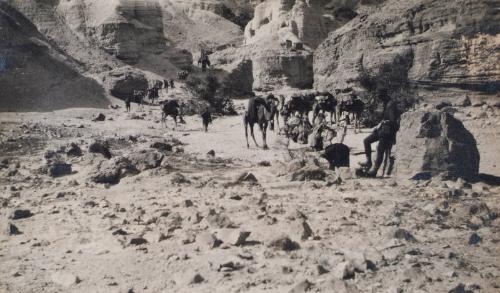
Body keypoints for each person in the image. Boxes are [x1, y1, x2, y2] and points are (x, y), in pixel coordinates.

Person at [359, 98, 401, 177]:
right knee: (366, 141)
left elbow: (392, 121)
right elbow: (383, 117)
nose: (379, 100)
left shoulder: (391, 105)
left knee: (380, 149)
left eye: (380, 97)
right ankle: (368, 161)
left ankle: (374, 171)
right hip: (382, 130)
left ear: (384, 95)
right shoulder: (385, 104)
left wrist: (382, 122)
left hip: (388, 132)